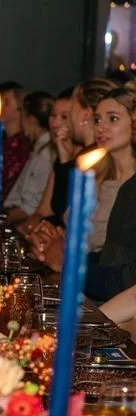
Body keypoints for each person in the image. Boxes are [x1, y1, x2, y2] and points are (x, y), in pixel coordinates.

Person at [33, 87, 136, 301]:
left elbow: (121, 269)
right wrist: (52, 242)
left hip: (106, 294)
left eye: (113, 119)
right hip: (89, 285)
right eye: (97, 120)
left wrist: (67, 257)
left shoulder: (130, 188)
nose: (101, 127)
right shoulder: (96, 172)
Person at [15, 88, 80, 234]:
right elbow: (42, 212)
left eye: (64, 117)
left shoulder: (86, 162)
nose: (55, 123)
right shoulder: (58, 156)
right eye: (52, 115)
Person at [3, 92, 55, 223]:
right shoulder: (38, 148)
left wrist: (0, 221)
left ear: (31, 119)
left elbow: (30, 206)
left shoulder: (45, 154)